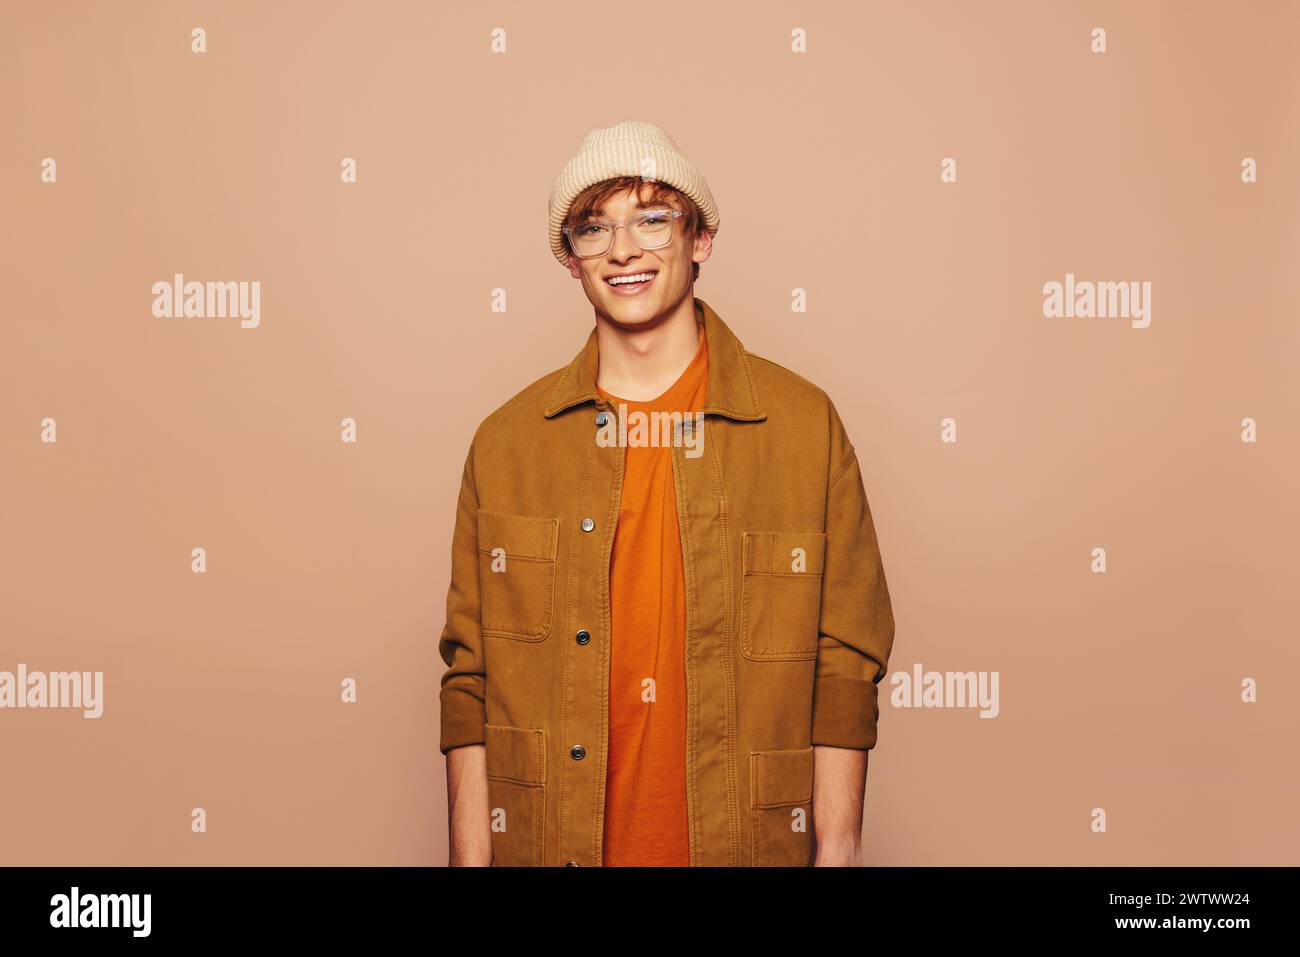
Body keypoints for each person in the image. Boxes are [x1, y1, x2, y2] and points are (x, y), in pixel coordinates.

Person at [438, 120, 895, 866]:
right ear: (571, 259)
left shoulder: (803, 429)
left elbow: (843, 666)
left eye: (652, 219)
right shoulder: (507, 444)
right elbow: (471, 679)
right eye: (594, 228)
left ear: (701, 237)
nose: (623, 250)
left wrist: (836, 855)